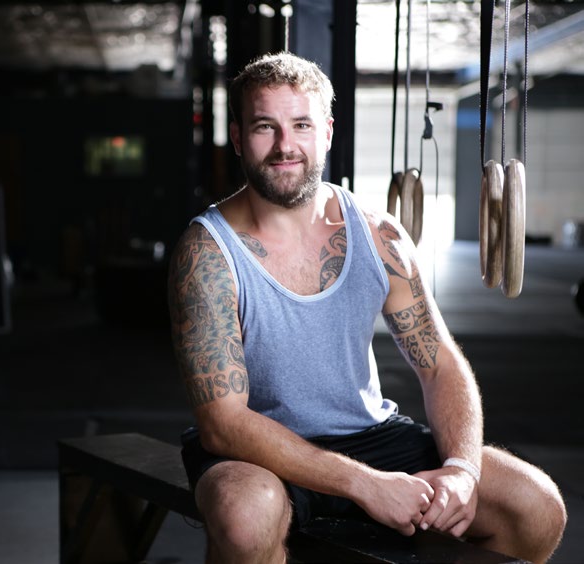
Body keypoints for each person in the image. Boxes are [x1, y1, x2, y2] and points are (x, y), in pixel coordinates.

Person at [166, 51, 567, 564]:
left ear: (327, 132)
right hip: (260, 452)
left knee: (533, 505)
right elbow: (224, 424)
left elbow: (440, 363)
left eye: (302, 125)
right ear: (240, 137)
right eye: (266, 127)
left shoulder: (379, 236)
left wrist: (463, 471)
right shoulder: (206, 253)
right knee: (246, 517)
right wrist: (367, 485)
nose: (286, 146)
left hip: (371, 436)